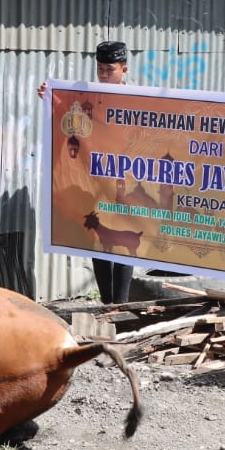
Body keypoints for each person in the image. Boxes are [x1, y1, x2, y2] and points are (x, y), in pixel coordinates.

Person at [40, 41, 135, 304]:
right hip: (94, 179)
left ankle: (121, 304)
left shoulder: (138, 99)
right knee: (98, 238)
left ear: (124, 69)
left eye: (110, 70)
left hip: (124, 178)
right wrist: (50, 97)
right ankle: (107, 302)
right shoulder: (88, 96)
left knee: (123, 238)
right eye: (100, 69)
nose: (103, 75)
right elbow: (68, 115)